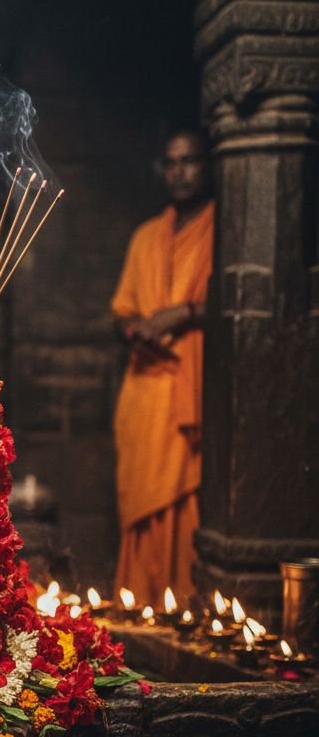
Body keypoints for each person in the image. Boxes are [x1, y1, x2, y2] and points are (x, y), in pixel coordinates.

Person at [111, 128, 215, 604]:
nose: (180, 171)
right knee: (144, 500)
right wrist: (138, 330)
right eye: (171, 161)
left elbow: (244, 301)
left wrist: (186, 313)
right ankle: (143, 602)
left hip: (193, 388)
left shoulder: (225, 229)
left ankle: (185, 605)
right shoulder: (146, 237)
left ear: (208, 164)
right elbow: (122, 312)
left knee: (185, 496)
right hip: (146, 384)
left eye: (190, 160)